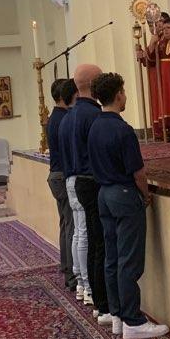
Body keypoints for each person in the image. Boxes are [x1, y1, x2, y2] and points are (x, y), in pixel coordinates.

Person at [88, 72, 170, 339]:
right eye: (123, 91)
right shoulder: (123, 130)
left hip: (103, 194)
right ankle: (133, 320)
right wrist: (145, 196)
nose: (126, 96)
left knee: (111, 258)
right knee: (129, 261)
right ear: (118, 95)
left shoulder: (95, 126)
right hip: (123, 195)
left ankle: (117, 316)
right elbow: (138, 173)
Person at [57, 64, 109, 317]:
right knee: (88, 235)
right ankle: (89, 286)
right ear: (93, 84)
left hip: (72, 178)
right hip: (88, 179)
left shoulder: (69, 116)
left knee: (79, 232)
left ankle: (82, 283)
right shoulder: (93, 115)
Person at [46, 78, 78, 292]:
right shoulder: (64, 119)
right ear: (62, 96)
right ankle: (71, 274)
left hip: (55, 175)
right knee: (72, 227)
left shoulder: (53, 118)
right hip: (62, 175)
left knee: (65, 224)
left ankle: (67, 267)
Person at [136, 17, 170, 140]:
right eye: (164, 29)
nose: (165, 31)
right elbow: (151, 59)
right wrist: (152, 43)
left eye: (168, 28)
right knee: (167, 102)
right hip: (163, 78)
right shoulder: (161, 42)